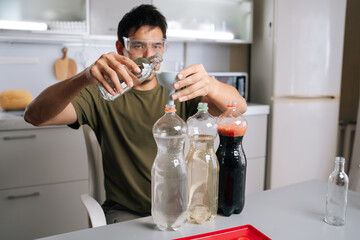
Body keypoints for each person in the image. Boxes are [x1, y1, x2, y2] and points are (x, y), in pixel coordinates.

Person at [24, 4, 247, 224]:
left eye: (157, 46)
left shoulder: (177, 90)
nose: (149, 55)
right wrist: (85, 77)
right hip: (125, 214)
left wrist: (210, 85)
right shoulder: (102, 93)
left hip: (179, 211)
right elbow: (34, 116)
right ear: (121, 48)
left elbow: (238, 107)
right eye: (139, 45)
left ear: (164, 48)